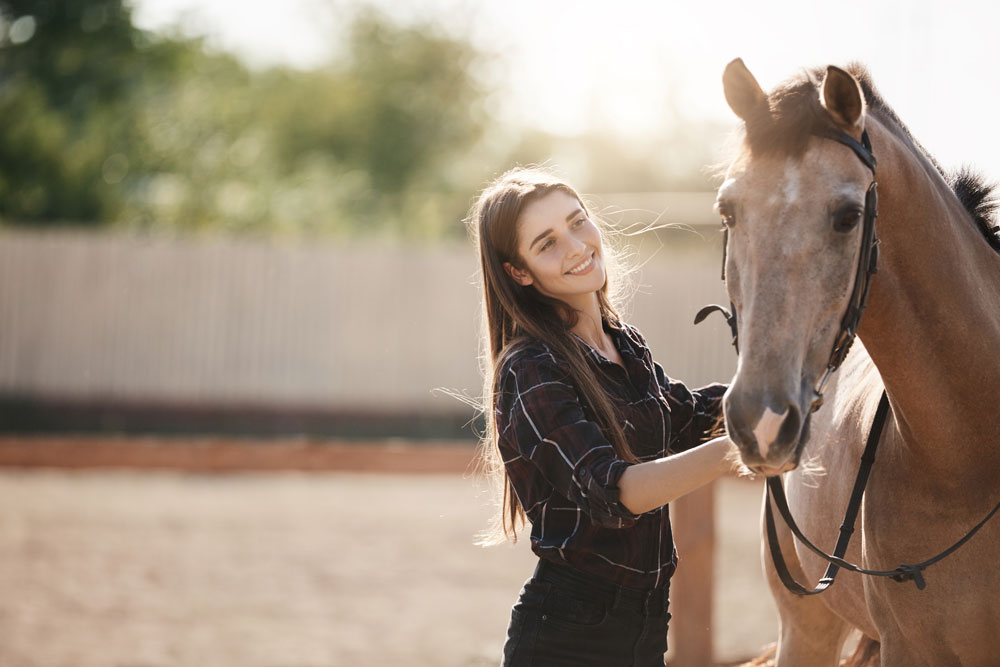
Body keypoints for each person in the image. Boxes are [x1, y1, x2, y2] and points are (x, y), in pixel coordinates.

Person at [467, 166, 736, 667]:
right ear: (518, 272)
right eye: (546, 243)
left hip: (648, 624)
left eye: (577, 222)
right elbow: (614, 492)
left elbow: (687, 419)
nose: (575, 246)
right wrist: (738, 449)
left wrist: (784, 390)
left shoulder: (623, 343)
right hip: (569, 635)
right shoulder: (531, 368)